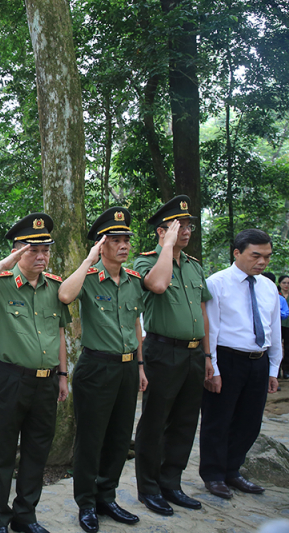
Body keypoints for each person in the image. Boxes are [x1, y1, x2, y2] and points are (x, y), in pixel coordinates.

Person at [0, 213, 70, 533]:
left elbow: (61, 333)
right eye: (33, 250)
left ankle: (26, 516)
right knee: (2, 453)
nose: (41, 257)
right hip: (11, 380)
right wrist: (2, 265)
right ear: (17, 251)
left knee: (37, 451)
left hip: (47, 381)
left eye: (46, 251)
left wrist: (63, 376)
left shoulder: (56, 286)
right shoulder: (1, 284)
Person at [57, 208, 148, 532]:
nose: (124, 245)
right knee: (91, 439)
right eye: (116, 240)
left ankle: (107, 496)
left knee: (120, 438)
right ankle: (86, 503)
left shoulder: (134, 281)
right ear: (102, 244)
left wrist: (139, 366)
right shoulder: (89, 278)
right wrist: (89, 260)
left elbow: (136, 326)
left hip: (126, 369)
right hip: (96, 368)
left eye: (126, 240)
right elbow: (65, 294)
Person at [133, 195, 214, 516]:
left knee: (184, 421)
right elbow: (158, 285)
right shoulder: (145, 261)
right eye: (178, 226)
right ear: (161, 232)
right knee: (155, 421)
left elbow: (203, 312)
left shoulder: (194, 266)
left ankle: (172, 483)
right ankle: (149, 489)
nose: (186, 231)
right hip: (162, 352)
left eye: (189, 225)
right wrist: (167, 248)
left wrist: (208, 356)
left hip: (194, 354)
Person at [200, 229, 282, 498]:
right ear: (237, 253)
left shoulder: (268, 286)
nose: (262, 262)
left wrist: (273, 368)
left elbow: (274, 331)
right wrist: (213, 368)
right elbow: (209, 328)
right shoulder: (217, 283)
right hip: (227, 358)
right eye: (255, 256)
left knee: (250, 421)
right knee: (218, 420)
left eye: (267, 257)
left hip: (258, 361)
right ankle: (213, 475)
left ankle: (232, 470)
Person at [279, 275, 289, 378]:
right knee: (277, 346)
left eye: (288, 283)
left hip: (288, 325)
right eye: (284, 283)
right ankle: (276, 371)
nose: (286, 285)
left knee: (287, 347)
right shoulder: (276, 294)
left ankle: (286, 370)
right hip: (278, 325)